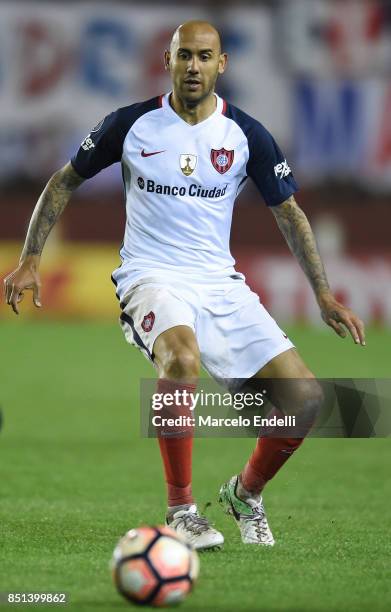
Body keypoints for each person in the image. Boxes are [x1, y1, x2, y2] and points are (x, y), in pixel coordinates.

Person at [4, 21, 365, 551]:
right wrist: (31, 259)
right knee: (180, 360)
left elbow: (289, 213)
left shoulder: (246, 135)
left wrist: (323, 294)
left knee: (305, 401)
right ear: (167, 61)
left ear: (222, 65)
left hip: (219, 282)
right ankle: (181, 511)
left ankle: (245, 494)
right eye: (183, 56)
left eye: (204, 56)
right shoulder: (131, 125)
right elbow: (64, 181)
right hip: (149, 275)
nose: (192, 66)